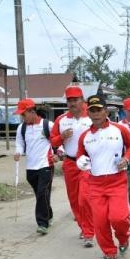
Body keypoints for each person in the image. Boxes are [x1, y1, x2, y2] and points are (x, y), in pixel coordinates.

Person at [75, 95, 130, 259]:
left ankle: (123, 238)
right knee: (100, 221)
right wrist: (81, 161)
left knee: (119, 218)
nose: (95, 114)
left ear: (106, 111)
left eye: (99, 110)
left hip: (117, 181)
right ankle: (109, 251)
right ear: (88, 113)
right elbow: (81, 155)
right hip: (95, 183)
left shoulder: (119, 129)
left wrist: (127, 158)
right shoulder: (85, 136)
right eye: (92, 111)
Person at [50, 85, 93, 246]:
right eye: (69, 100)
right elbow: (52, 141)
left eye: (75, 100)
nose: (72, 103)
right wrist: (61, 137)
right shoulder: (61, 120)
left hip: (89, 164)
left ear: (82, 100)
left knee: (84, 198)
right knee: (74, 200)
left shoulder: (93, 116)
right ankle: (84, 227)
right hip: (70, 163)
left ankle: (89, 232)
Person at [13, 98, 55, 235]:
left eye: (23, 114)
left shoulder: (48, 125)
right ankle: (48, 214)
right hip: (31, 167)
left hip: (46, 165)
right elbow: (19, 143)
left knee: (42, 192)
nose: (22, 117)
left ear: (32, 112)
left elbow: (58, 140)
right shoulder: (22, 128)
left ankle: (42, 223)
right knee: (40, 195)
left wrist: (59, 153)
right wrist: (18, 152)